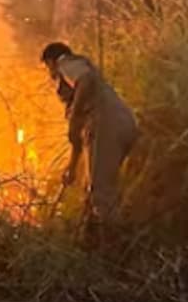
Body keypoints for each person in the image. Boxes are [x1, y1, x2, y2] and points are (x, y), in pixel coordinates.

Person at [41, 42, 138, 239]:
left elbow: (85, 79)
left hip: (105, 124)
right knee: (93, 189)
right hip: (119, 125)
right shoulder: (76, 89)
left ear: (51, 61)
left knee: (100, 193)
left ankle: (116, 248)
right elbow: (79, 140)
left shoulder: (66, 63)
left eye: (47, 68)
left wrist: (75, 116)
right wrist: (72, 167)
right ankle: (92, 240)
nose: (50, 75)